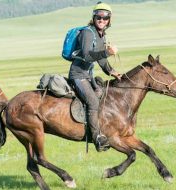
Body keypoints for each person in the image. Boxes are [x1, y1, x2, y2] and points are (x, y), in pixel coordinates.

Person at [68, 2, 122, 152]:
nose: (102, 20)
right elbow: (86, 56)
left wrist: (111, 71)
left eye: (105, 18)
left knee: (102, 94)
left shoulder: (101, 35)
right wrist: (107, 52)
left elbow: (101, 60)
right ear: (94, 17)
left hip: (88, 75)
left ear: (109, 20)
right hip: (78, 75)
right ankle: (97, 137)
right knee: (93, 102)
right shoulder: (87, 33)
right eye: (99, 17)